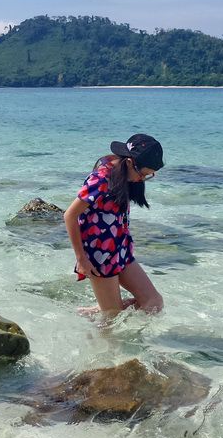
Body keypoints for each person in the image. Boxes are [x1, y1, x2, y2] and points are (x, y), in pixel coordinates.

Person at [64, 134, 165, 316]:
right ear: (128, 162)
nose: (142, 179)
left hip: (120, 251)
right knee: (112, 318)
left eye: (149, 176)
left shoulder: (125, 177)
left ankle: (96, 312)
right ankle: (100, 334)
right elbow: (70, 215)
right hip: (99, 257)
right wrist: (81, 259)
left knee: (153, 303)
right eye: (142, 174)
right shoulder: (101, 179)